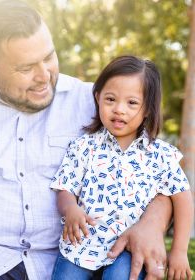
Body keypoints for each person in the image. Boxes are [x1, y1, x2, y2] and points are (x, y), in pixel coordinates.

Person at [0, 1, 172, 279]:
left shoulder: (97, 103)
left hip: (74, 260)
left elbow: (162, 177)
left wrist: (151, 225)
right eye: (25, 68)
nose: (44, 76)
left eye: (48, 57)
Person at [50, 55, 194, 280]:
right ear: (98, 98)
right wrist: (70, 209)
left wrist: (179, 251)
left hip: (128, 248)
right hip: (81, 244)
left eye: (132, 103)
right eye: (110, 99)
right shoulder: (83, 146)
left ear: (147, 109)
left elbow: (183, 198)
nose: (119, 109)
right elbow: (64, 188)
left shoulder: (160, 154)